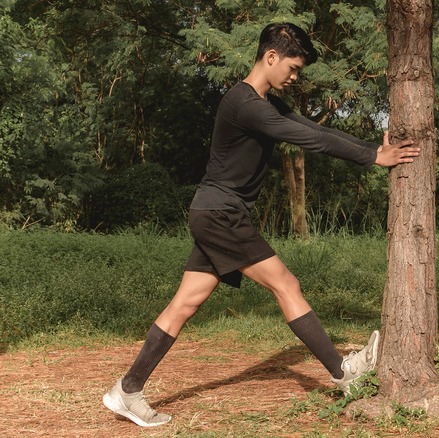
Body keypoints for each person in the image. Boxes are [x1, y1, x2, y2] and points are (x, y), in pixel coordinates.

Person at [102, 22, 420, 428]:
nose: (294, 76)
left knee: (185, 303)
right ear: (271, 57)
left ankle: (127, 391)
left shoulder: (263, 102)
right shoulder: (246, 105)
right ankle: (344, 374)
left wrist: (375, 148)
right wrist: (374, 159)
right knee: (285, 284)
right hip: (222, 215)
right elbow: (310, 142)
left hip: (211, 213)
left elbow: (314, 130)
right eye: (292, 67)